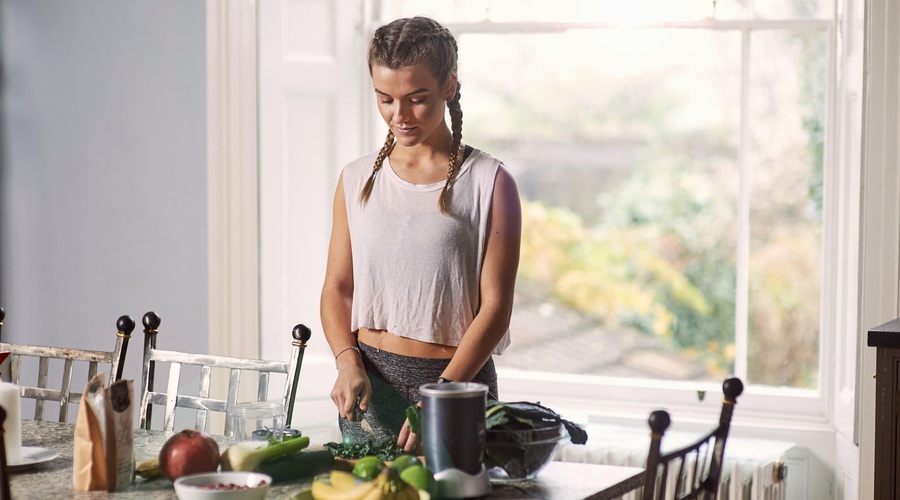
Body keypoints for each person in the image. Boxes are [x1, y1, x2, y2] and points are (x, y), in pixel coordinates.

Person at [320, 16, 521, 452]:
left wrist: (444, 393)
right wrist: (346, 361)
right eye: (385, 99)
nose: (400, 115)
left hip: (458, 388)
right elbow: (338, 288)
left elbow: (496, 307)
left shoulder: (490, 182)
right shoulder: (355, 179)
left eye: (416, 99)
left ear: (449, 86)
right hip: (369, 388)